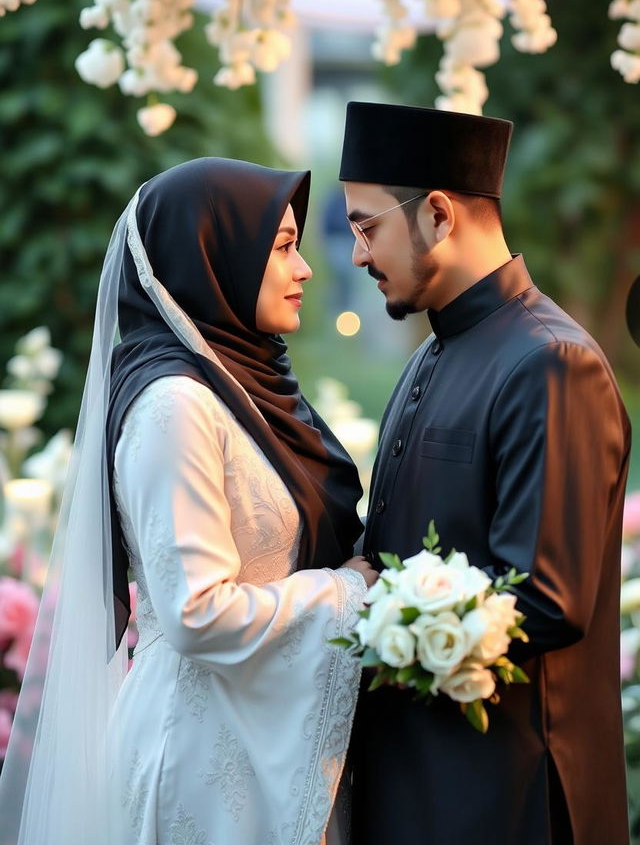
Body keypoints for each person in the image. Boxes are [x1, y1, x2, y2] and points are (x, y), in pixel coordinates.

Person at [0, 157, 377, 845]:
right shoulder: (175, 403)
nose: (306, 271)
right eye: (285, 247)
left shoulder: (244, 385)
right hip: (201, 761)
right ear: (215, 255)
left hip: (274, 734)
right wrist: (350, 592)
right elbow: (196, 612)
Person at [338, 102, 631, 845]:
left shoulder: (550, 363)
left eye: (367, 226)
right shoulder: (426, 357)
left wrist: (356, 605)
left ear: (437, 214)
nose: (357, 255)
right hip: (416, 789)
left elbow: (546, 600)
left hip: (505, 802)